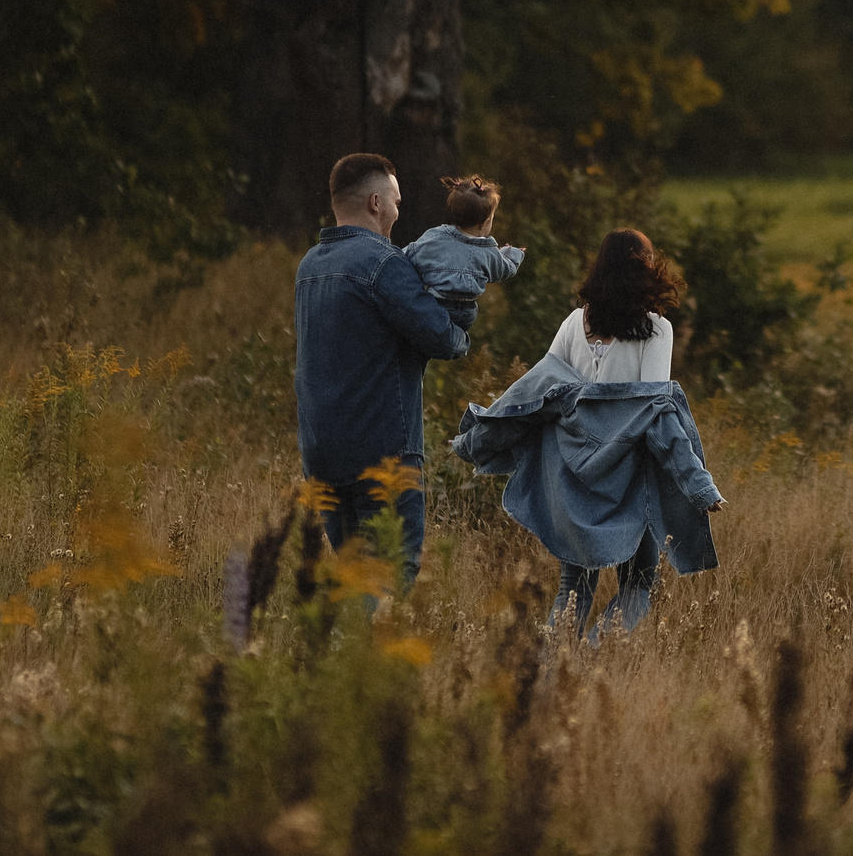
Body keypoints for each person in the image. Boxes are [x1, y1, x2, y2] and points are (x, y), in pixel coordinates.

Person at [450, 229, 726, 640]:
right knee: (638, 585)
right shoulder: (656, 330)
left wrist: (478, 437)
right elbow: (653, 412)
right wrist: (698, 484)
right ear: (645, 269)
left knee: (573, 587)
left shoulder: (574, 324)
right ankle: (593, 654)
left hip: (572, 481)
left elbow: (534, 392)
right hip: (630, 480)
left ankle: (548, 670)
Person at [293, 152, 474, 591]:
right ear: (375, 203)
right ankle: (362, 659)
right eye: (395, 201)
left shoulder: (309, 267)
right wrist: (462, 310)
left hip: (321, 454)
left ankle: (336, 657)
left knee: (355, 576)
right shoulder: (383, 263)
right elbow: (441, 338)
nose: (398, 210)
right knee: (392, 575)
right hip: (383, 452)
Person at [402, 175, 525, 337]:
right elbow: (504, 269)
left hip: (435, 304)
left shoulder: (436, 237)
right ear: (485, 222)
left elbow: (409, 254)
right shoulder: (488, 250)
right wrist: (513, 254)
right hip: (466, 314)